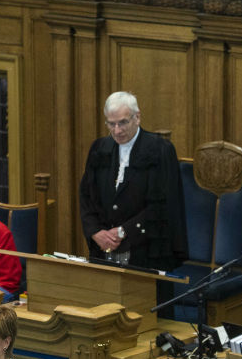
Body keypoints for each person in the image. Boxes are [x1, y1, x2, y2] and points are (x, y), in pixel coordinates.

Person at [79, 91, 187, 272]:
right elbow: (86, 196)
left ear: (137, 117)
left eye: (123, 122)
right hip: (104, 250)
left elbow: (164, 205)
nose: (117, 130)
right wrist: (95, 232)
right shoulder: (99, 148)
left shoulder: (160, 150)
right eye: (111, 124)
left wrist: (124, 231)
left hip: (146, 251)